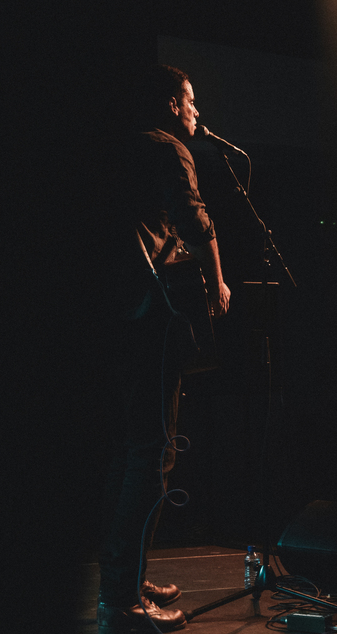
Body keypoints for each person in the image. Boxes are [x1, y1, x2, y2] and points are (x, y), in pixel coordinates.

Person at [97, 64, 231, 633]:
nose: (197, 110)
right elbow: (195, 224)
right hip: (153, 318)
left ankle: (127, 578)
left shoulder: (128, 148)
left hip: (123, 319)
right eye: (190, 100)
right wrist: (218, 282)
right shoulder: (169, 148)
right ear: (172, 104)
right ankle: (123, 602)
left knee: (138, 453)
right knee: (152, 456)